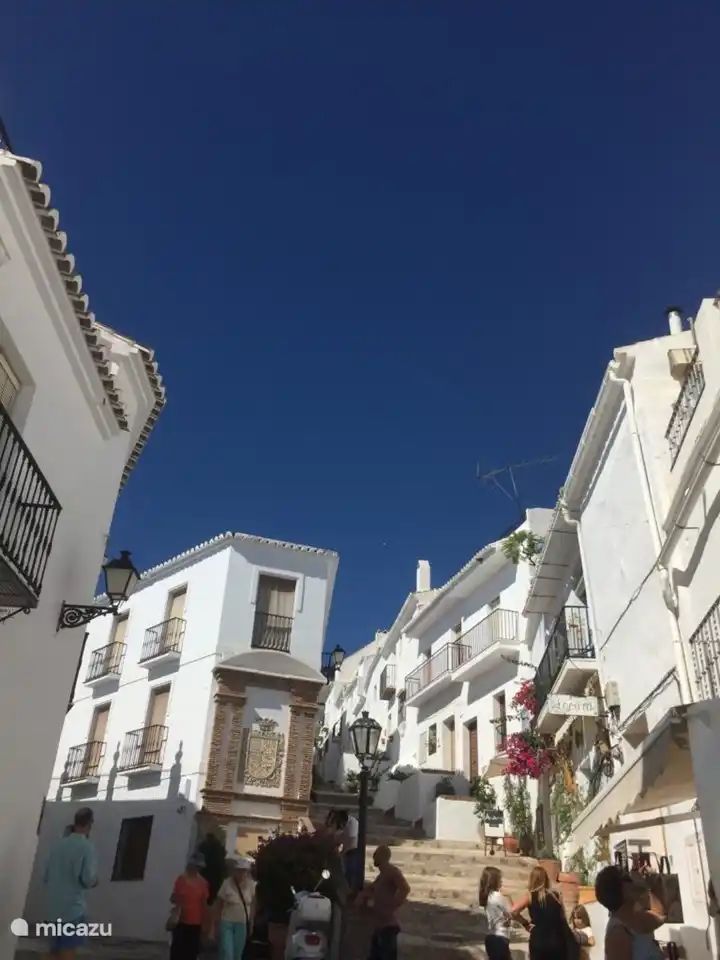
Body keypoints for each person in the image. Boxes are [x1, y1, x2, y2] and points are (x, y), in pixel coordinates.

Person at [43, 806, 98, 960]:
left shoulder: (57, 846)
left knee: (53, 951)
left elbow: (45, 875)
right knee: (67, 951)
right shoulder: (87, 847)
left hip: (52, 907)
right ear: (90, 823)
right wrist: (94, 881)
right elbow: (88, 879)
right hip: (73, 908)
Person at [595, 864, 666, 960]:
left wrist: (649, 886)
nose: (632, 879)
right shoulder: (618, 931)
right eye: (627, 877)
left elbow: (660, 916)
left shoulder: (635, 916)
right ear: (622, 889)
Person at [357, 845, 410, 960]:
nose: (373, 857)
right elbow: (370, 890)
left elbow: (405, 889)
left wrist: (390, 907)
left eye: (376, 854)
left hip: (388, 926)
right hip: (379, 925)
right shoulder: (380, 877)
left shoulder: (392, 872)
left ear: (383, 856)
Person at [512, 865, 577, 960]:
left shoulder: (530, 896)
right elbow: (563, 917)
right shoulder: (556, 896)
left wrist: (525, 923)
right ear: (546, 879)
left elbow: (513, 911)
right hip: (557, 940)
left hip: (539, 940)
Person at [170, 853, 210, 960]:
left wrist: (206, 924)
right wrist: (177, 898)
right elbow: (173, 898)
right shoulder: (181, 880)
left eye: (198, 867)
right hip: (180, 922)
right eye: (194, 866)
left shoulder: (203, 883)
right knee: (176, 953)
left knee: (191, 954)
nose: (196, 869)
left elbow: (204, 904)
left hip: (195, 924)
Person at [216, 858, 255, 960]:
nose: (241, 873)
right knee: (227, 953)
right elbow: (218, 904)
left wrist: (251, 922)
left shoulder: (251, 885)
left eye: (244, 871)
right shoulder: (226, 883)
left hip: (242, 924)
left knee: (237, 954)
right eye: (239, 870)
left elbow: (253, 904)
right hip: (227, 922)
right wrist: (216, 925)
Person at [478, 866, 515, 960]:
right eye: (500, 879)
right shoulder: (497, 896)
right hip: (500, 937)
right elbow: (513, 911)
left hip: (490, 937)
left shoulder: (487, 896)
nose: (501, 882)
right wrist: (509, 897)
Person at [334, 809, 361, 891]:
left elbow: (350, 842)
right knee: (345, 871)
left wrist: (342, 853)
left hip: (354, 849)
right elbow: (340, 837)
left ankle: (352, 889)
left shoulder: (353, 824)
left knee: (351, 870)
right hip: (347, 850)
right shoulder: (342, 824)